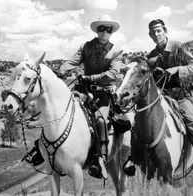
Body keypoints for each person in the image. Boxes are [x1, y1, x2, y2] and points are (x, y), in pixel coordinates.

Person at [24, 14, 123, 180]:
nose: (104, 32)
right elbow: (73, 61)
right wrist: (60, 71)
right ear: (97, 30)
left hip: (101, 94)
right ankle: (40, 150)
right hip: (81, 90)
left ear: (111, 31)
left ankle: (101, 159)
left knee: (100, 121)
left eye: (108, 29)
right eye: (101, 28)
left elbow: (113, 73)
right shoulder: (86, 46)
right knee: (57, 112)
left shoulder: (116, 51)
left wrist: (90, 77)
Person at [146, 19, 193, 179]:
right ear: (150, 35)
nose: (157, 34)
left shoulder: (178, 47)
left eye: (159, 30)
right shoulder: (151, 56)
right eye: (153, 32)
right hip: (162, 98)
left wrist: (176, 69)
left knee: (191, 121)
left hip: (182, 96)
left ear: (165, 31)